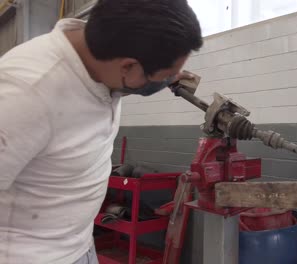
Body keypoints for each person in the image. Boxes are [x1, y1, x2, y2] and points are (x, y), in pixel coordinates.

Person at [0, 0, 202, 263]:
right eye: (162, 76)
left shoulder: (102, 60)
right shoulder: (24, 95)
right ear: (127, 66)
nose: (163, 82)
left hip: (81, 246)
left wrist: (169, 76)